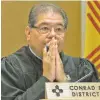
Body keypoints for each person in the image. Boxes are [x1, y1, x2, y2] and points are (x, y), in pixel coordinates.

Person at [1, 3, 99, 100]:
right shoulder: (10, 68)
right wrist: (46, 78)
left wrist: (64, 82)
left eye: (59, 29)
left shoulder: (83, 69)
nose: (53, 34)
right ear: (28, 33)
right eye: (44, 28)